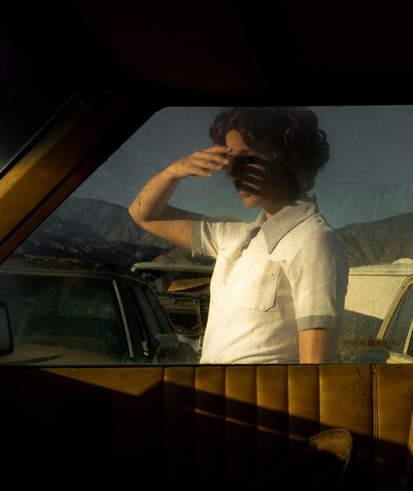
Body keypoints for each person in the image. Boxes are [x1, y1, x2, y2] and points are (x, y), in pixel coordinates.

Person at [128, 107, 348, 364]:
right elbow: (144, 215)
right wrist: (174, 172)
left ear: (288, 158)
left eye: (247, 159)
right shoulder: (232, 236)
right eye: (229, 161)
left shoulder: (314, 240)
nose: (231, 173)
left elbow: (315, 367)